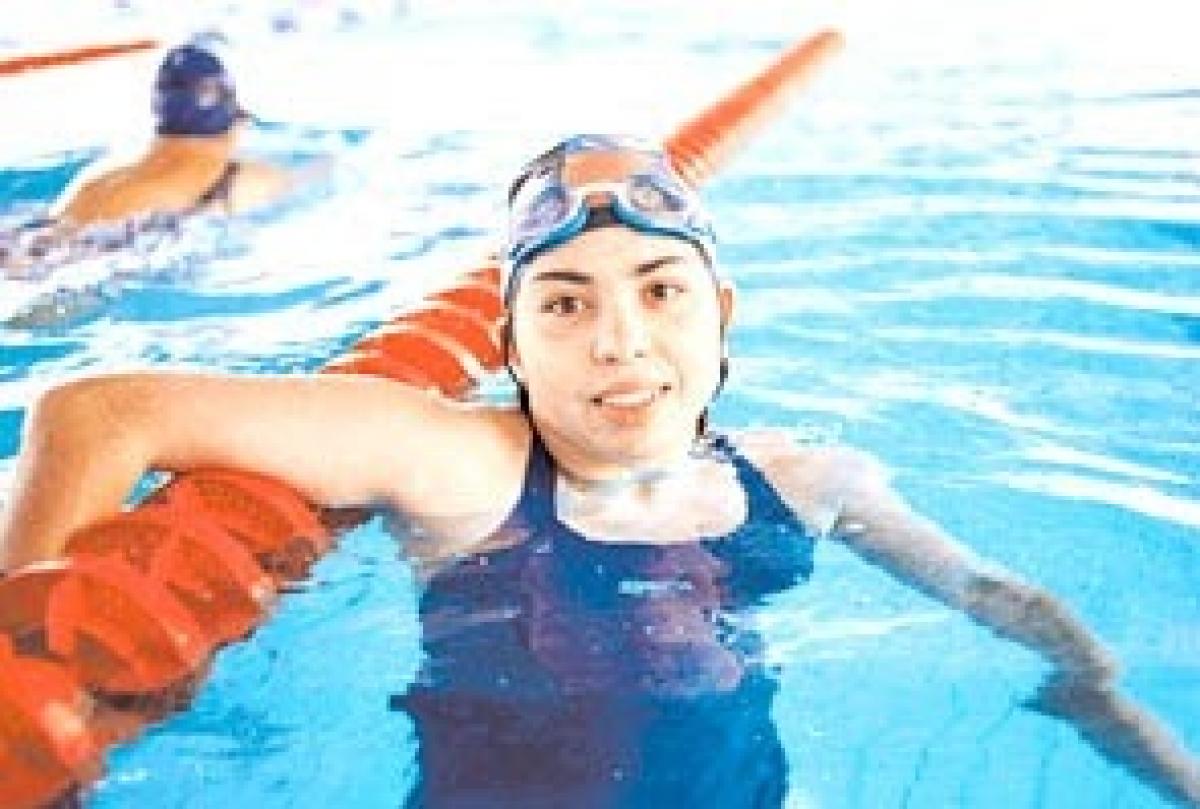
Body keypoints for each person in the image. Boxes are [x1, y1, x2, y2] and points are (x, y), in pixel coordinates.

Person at [2, 134, 1198, 807]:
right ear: (509, 343)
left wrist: (1117, 708)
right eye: (565, 304)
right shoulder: (464, 462)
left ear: (719, 312)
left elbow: (1000, 602)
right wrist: (30, 662)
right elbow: (96, 408)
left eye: (660, 291)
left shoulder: (804, 478)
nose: (620, 342)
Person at [1, 38, 294, 276]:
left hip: (27, 240)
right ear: (234, 120)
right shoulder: (240, 177)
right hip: (88, 261)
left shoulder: (105, 168)